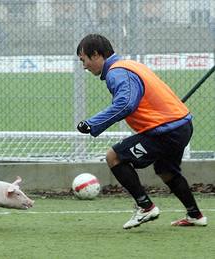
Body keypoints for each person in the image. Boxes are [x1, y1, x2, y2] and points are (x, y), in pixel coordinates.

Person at [75, 34, 207, 229]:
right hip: (181, 126)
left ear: (96, 55)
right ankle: (195, 215)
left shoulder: (116, 72)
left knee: (114, 157)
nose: (84, 66)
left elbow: (126, 103)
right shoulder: (128, 65)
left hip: (165, 131)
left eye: (83, 60)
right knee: (166, 170)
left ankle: (145, 207)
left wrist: (91, 124)